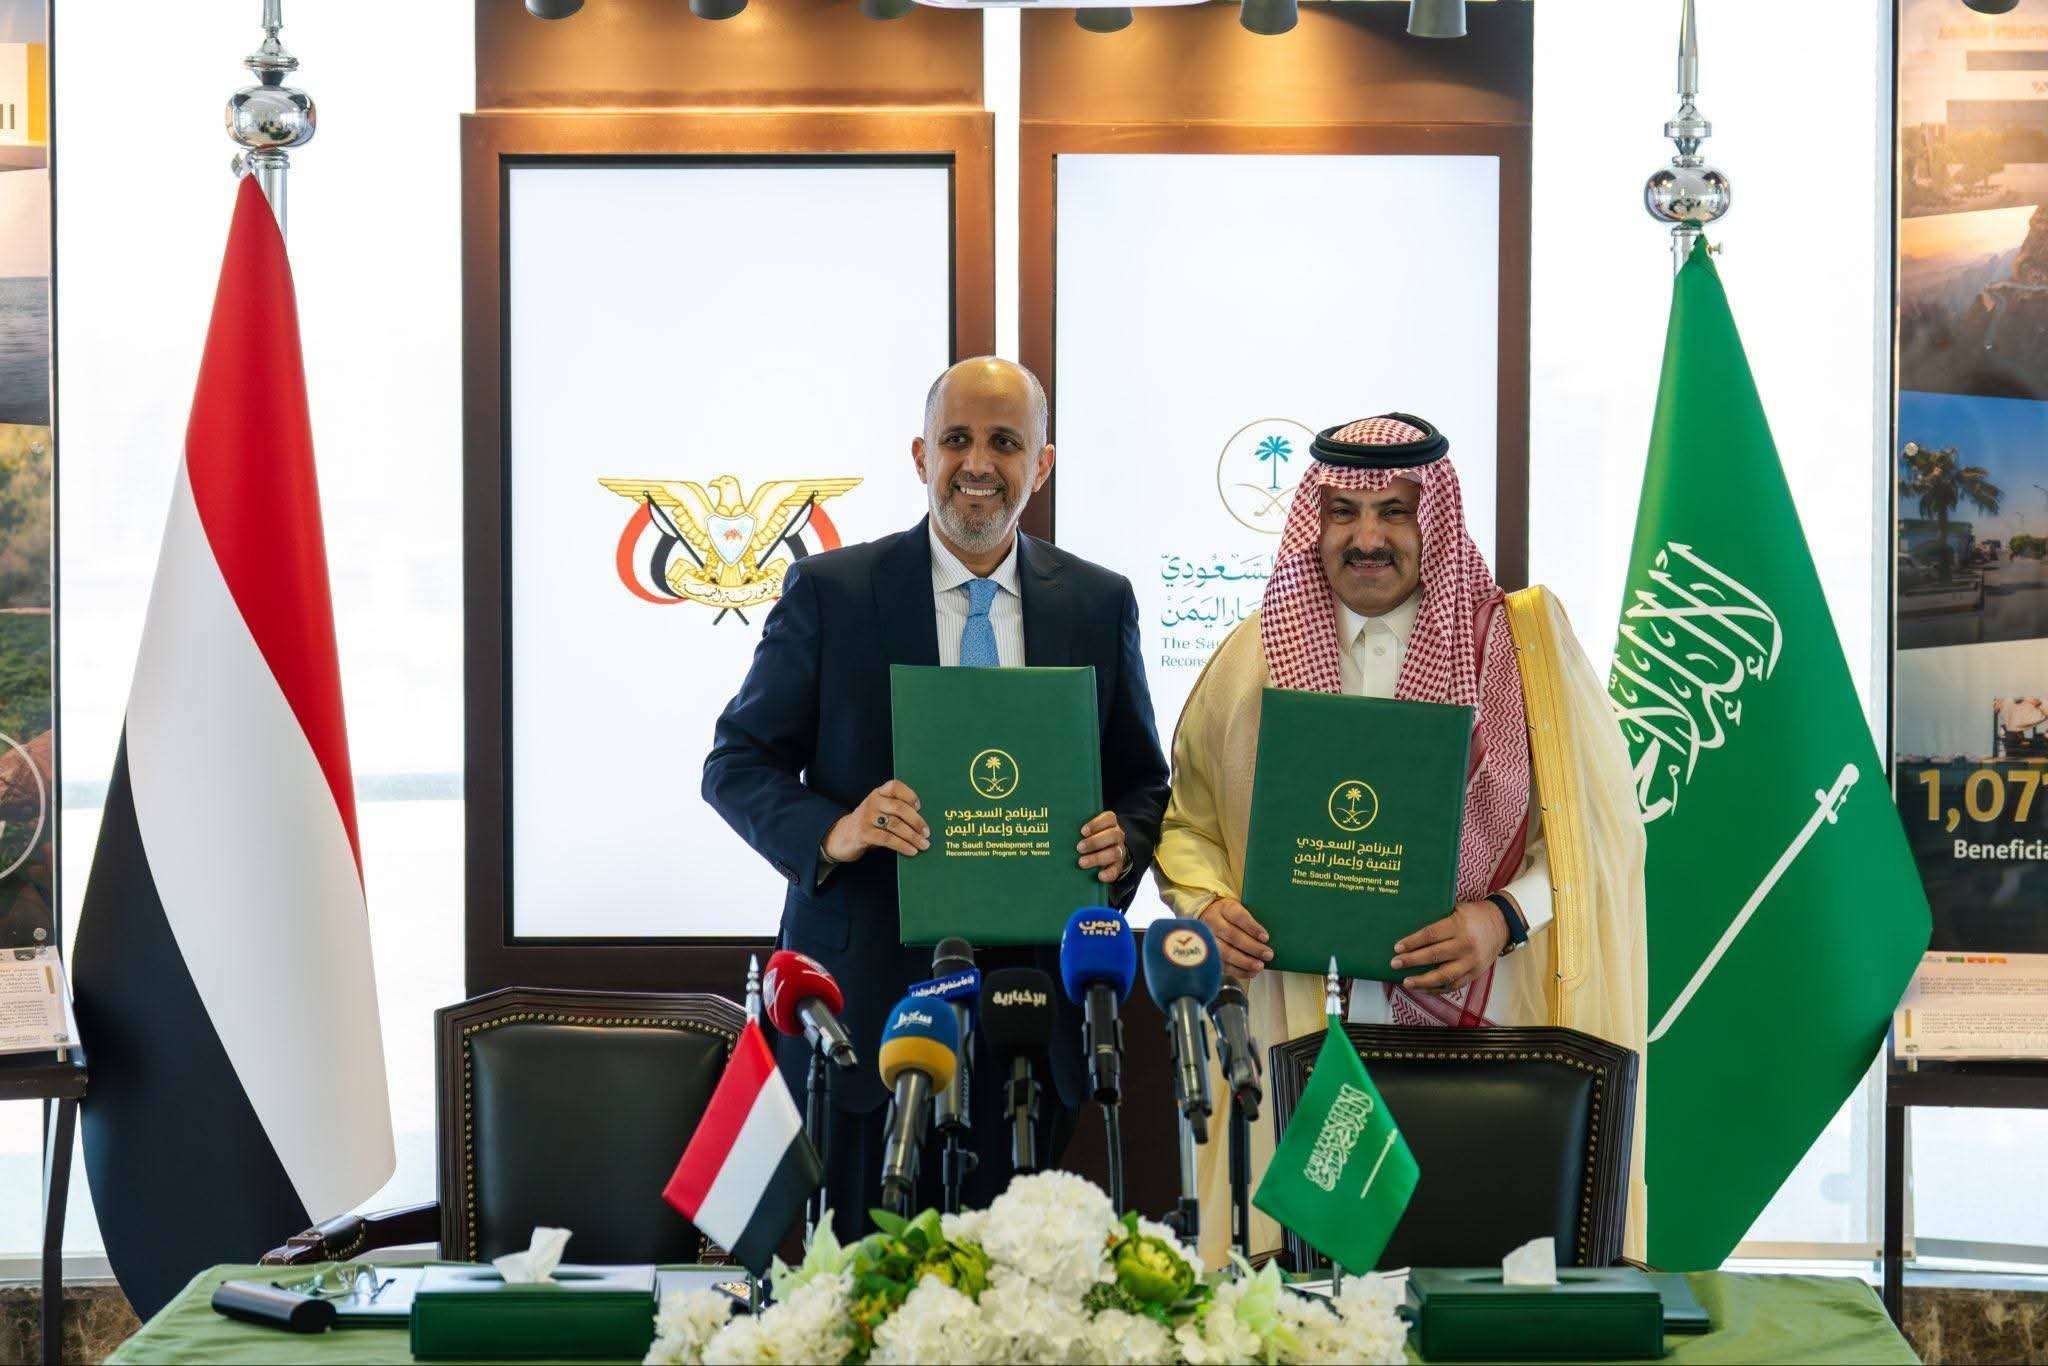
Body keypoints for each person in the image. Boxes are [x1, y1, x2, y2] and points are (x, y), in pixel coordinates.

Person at [1153, 412, 1648, 1265]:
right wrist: (1207, 906)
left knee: (1479, 1261)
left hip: (1489, 1014)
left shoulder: (1523, 649)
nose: (1367, 538)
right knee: (1313, 1281)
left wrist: (1501, 918)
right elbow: (1188, 824)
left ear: (1436, 520)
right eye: (1343, 512)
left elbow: (1599, 834)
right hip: (1299, 1019)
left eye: (1395, 511)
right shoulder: (1250, 659)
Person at [704, 357, 1170, 1239]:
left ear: (1043, 463)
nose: (978, 464)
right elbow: (736, 762)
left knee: (1013, 1285)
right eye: (956, 440)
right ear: (921, 455)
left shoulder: (1098, 601)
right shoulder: (832, 593)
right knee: (858, 1281)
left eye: (1005, 443)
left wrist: (1125, 845)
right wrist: (836, 830)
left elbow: (1143, 781)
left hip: (1031, 1019)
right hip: (865, 1010)